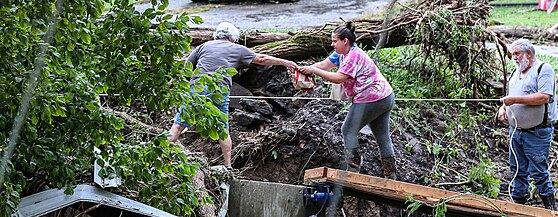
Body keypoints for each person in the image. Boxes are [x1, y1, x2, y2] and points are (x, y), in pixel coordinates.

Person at [168, 22, 298, 170]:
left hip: (198, 86)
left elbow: (187, 67)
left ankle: (161, 156)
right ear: (232, 38)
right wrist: (286, 62)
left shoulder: (204, 46)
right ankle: (228, 166)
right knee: (222, 129)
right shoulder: (237, 49)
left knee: (178, 125)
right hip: (219, 89)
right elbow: (262, 59)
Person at [298, 22, 397, 179]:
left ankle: (353, 172)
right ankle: (391, 177)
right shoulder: (341, 54)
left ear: (345, 41)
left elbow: (338, 78)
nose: (332, 44)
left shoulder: (353, 56)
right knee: (382, 136)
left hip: (372, 97)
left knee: (348, 130)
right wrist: (305, 70)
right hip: (385, 96)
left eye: (334, 41)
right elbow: (324, 65)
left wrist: (314, 70)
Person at [497, 38, 558, 210]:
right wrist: (503, 109)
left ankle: (551, 212)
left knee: (539, 171)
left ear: (528, 54)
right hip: (516, 130)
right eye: (513, 54)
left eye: (517, 53)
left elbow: (544, 97)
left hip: (537, 132)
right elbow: (509, 96)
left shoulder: (543, 69)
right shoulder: (516, 72)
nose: (514, 57)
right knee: (517, 168)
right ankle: (519, 207)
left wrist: (515, 100)